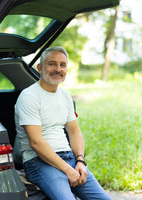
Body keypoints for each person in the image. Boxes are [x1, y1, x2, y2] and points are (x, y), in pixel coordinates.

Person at [15, 46, 111, 200]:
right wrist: (67, 169)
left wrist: (80, 160)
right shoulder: (29, 96)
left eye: (63, 65)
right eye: (52, 64)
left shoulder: (65, 95)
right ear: (40, 68)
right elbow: (36, 142)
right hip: (38, 161)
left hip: (69, 157)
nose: (58, 69)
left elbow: (74, 130)